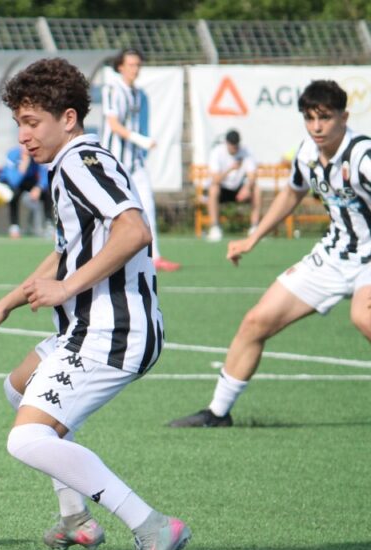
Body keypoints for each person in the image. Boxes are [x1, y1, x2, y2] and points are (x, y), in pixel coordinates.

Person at [0, 57, 189, 550]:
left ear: (68, 118)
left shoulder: (80, 161)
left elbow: (134, 232)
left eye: (32, 122)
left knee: (25, 441)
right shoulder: (71, 164)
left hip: (111, 333)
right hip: (88, 327)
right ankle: (75, 518)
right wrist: (6, 304)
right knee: (17, 387)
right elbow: (67, 251)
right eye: (19, 123)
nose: (23, 136)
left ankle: (152, 526)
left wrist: (65, 289)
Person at [169, 80, 371, 428]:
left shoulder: (362, 156)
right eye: (309, 118)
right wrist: (253, 238)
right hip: (334, 256)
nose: (317, 126)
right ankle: (217, 413)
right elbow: (291, 194)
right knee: (255, 321)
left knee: (363, 316)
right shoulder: (307, 153)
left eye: (324, 117)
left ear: (344, 116)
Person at [102, 48, 180, 271]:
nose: (135, 69)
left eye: (138, 65)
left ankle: (154, 256)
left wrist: (141, 147)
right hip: (114, 162)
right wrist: (141, 140)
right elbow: (113, 124)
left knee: (147, 206)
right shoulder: (113, 89)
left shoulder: (138, 93)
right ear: (120, 67)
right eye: (131, 65)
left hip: (134, 162)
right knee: (108, 211)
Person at [204, 129, 262, 242]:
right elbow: (215, 179)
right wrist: (231, 168)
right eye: (232, 144)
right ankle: (215, 227)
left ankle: (255, 228)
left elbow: (252, 175)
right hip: (223, 189)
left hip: (239, 190)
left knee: (256, 189)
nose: (234, 147)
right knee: (213, 189)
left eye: (236, 144)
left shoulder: (246, 152)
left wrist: (247, 188)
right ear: (226, 143)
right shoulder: (217, 152)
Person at [0, 143, 52, 239]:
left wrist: (39, 187)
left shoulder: (37, 154)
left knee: (46, 192)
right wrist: (24, 163)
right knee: (13, 194)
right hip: (13, 181)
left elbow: (44, 173)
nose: (27, 147)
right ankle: (14, 226)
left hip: (28, 180)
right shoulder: (12, 154)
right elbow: (14, 181)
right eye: (23, 144)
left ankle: (49, 225)